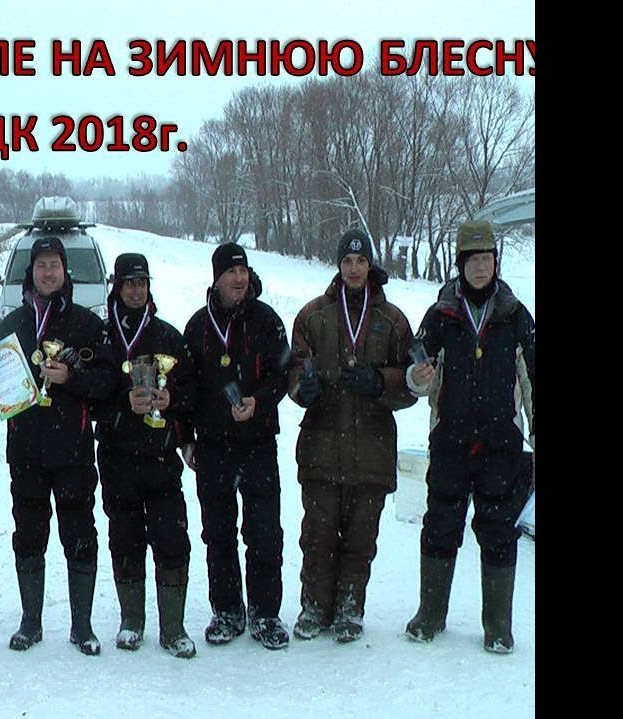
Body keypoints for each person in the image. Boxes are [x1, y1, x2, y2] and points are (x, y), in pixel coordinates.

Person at [403, 220, 534, 654]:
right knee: (440, 525)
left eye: (487, 259)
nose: (481, 267)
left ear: (496, 263)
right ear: (460, 264)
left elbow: (533, 379)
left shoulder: (515, 316)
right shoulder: (441, 315)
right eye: (473, 260)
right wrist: (418, 376)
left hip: (500, 446)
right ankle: (430, 614)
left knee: (498, 530)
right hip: (451, 442)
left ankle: (497, 624)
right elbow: (418, 375)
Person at [286, 230, 417, 643]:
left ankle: (349, 608)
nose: (354, 268)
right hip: (322, 446)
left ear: (370, 266)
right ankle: (314, 606)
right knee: (318, 536)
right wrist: (300, 388)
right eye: (347, 261)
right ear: (339, 266)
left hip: (372, 450)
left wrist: (380, 381)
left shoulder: (392, 320)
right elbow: (294, 369)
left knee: (361, 538)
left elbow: (413, 384)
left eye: (361, 262)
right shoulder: (313, 316)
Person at [0, 236, 115, 655]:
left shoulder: (86, 325)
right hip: (25, 451)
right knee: (29, 534)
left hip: (73, 450)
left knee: (79, 533)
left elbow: (108, 384)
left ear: (64, 272)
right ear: (32, 274)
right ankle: (31, 622)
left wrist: (71, 379)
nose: (48, 273)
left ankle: (82, 626)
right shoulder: (12, 326)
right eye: (41, 265)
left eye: (54, 266)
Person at [181, 243, 291, 650]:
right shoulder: (197, 327)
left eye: (243, 271)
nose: (239, 279)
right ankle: (227, 610)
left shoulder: (267, 321)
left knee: (264, 532)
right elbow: (185, 390)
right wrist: (185, 438)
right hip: (213, 447)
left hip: (258, 442)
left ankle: (265, 613)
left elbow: (284, 374)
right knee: (219, 533)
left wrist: (259, 401)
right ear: (216, 278)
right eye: (231, 272)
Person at [93, 253, 198, 659]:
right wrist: (123, 405)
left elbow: (193, 392)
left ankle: (173, 627)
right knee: (125, 537)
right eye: (129, 283)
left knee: (171, 538)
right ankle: (131, 621)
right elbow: (92, 394)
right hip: (118, 457)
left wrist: (172, 399)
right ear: (116, 287)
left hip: (160, 457)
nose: (136, 290)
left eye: (142, 282)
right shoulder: (102, 338)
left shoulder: (169, 338)